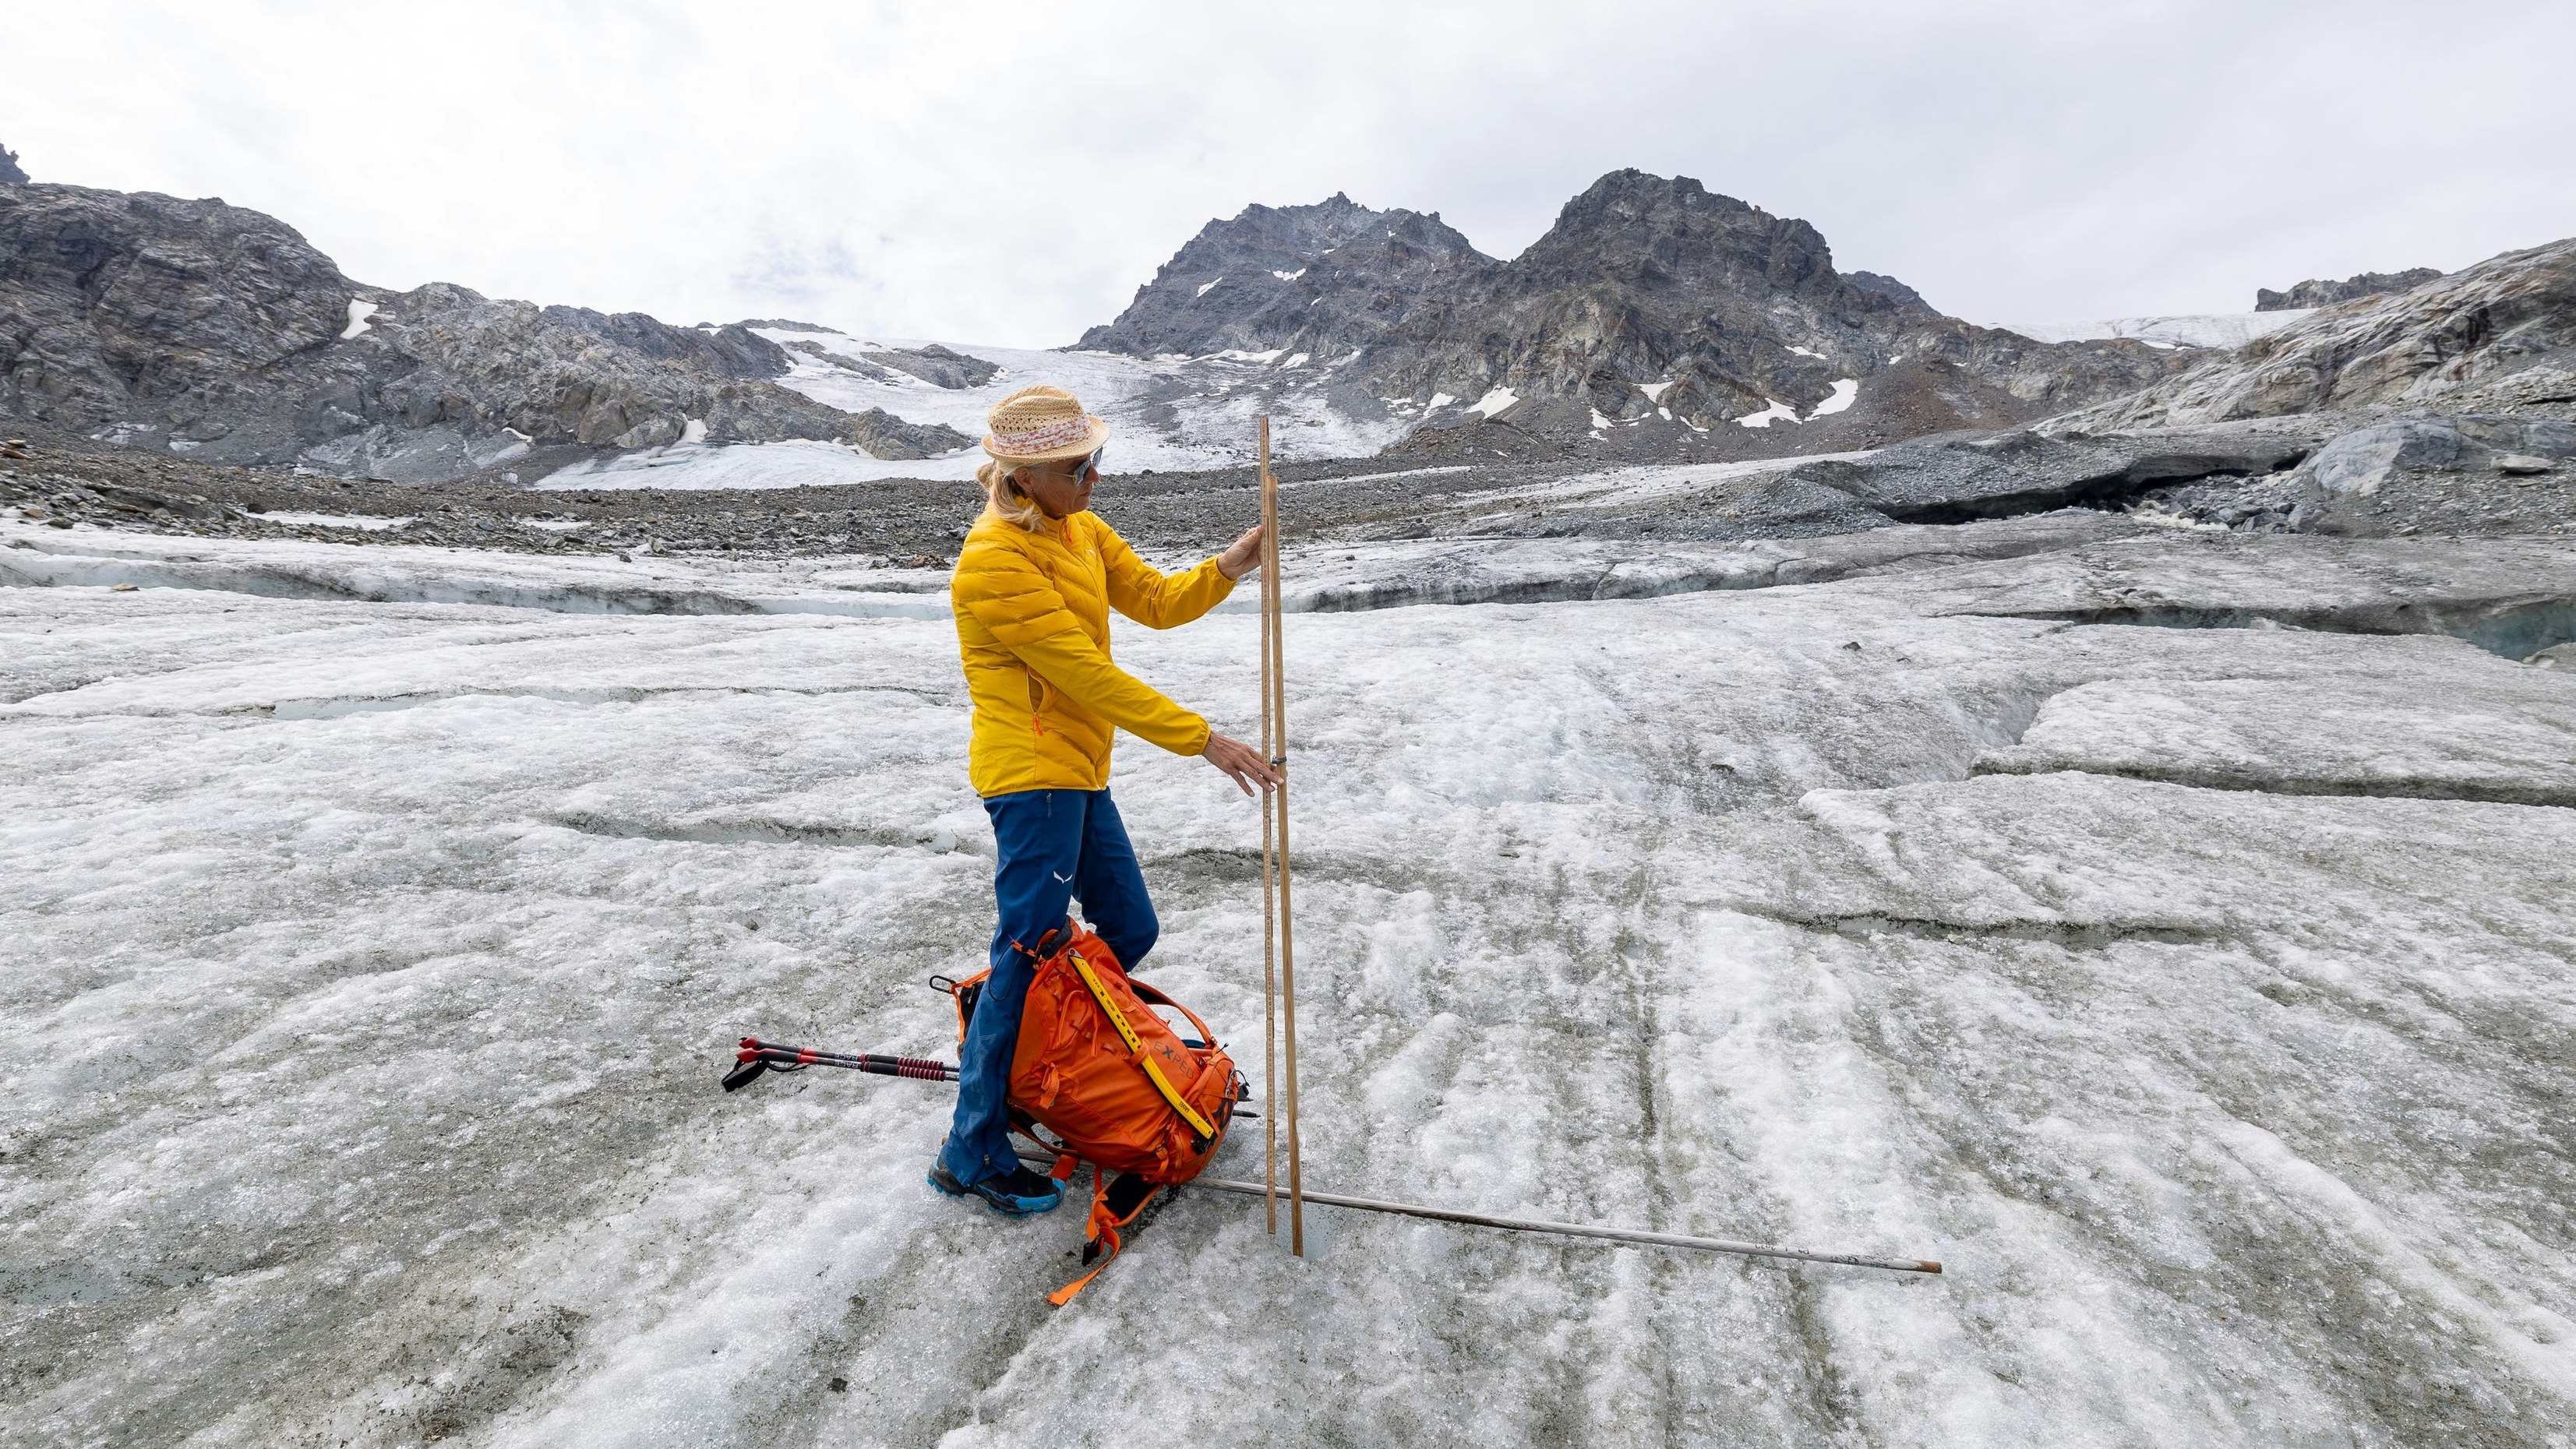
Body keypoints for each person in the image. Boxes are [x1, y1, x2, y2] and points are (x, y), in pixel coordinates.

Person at [930, 384, 1280, 1216]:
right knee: (1028, 952)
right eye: (1078, 467)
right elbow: (1086, 675)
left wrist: (1230, 565)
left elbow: (1154, 601)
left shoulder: (1079, 528)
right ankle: (970, 1149)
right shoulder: (993, 562)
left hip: (1081, 771)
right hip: (1033, 777)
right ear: (1025, 476)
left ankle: (1031, 1050)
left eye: (1095, 459)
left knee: (1128, 926)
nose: (1095, 477)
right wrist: (1204, 739)